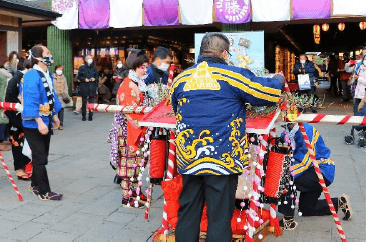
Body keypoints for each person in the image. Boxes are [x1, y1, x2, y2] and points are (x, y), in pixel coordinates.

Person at [170, 33, 284, 242]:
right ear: (224, 53)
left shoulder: (181, 78)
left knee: (188, 210)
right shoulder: (232, 75)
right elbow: (267, 94)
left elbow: (176, 108)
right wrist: (278, 79)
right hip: (222, 158)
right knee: (219, 216)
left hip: (189, 157)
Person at [279, 123, 353, 230]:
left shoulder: (306, 130)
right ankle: (339, 203)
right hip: (307, 170)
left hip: (321, 170)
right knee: (305, 210)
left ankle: (288, 220)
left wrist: (284, 173)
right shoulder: (286, 132)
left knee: (288, 179)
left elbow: (305, 161)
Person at [21, 45, 63, 201]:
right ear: (38, 57)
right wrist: (39, 121)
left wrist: (55, 116)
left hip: (46, 119)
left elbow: (52, 97)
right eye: (47, 53)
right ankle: (44, 192)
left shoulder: (47, 74)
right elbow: (31, 100)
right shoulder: (32, 75)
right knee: (40, 158)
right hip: (34, 124)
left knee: (41, 156)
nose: (50, 56)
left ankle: (34, 185)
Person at [114, 50, 151, 208]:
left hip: (139, 127)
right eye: (142, 67)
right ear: (135, 66)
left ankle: (136, 192)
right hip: (132, 130)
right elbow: (130, 112)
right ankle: (127, 197)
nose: (145, 70)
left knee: (138, 164)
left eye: (146, 67)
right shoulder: (129, 84)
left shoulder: (137, 82)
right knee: (130, 164)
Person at [5, 57, 32, 180]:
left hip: (28, 115)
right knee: (17, 143)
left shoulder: (30, 77)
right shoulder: (16, 79)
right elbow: (9, 99)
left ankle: (27, 166)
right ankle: (19, 168)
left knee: (28, 143)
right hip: (17, 116)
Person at [77, 55, 98, 121]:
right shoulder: (82, 67)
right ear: (85, 60)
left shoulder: (94, 67)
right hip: (84, 86)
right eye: (89, 59)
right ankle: (83, 116)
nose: (90, 60)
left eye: (91, 59)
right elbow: (79, 76)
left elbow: (97, 76)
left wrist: (94, 79)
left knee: (91, 102)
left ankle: (90, 116)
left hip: (92, 86)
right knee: (84, 102)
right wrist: (84, 79)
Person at [53, 64, 71, 130]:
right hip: (54, 96)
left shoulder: (63, 77)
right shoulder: (52, 77)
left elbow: (66, 86)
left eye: (61, 69)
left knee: (61, 111)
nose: (60, 71)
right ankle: (54, 124)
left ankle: (61, 124)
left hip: (61, 96)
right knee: (54, 110)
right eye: (59, 69)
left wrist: (65, 93)